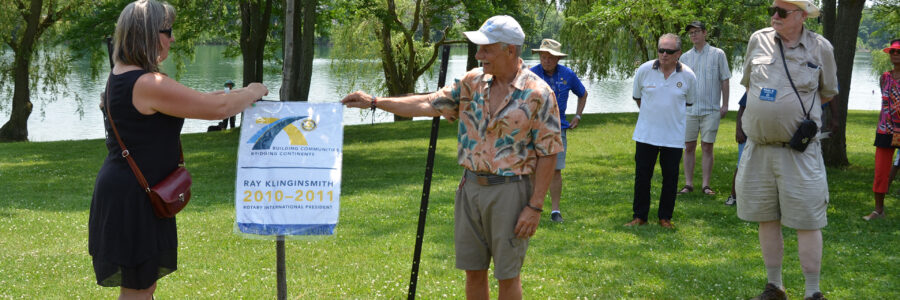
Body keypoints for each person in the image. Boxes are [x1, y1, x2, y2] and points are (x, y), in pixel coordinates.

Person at [341, 15, 562, 299]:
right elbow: (426, 102)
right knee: (473, 271)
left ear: (510, 50)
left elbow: (549, 153)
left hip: (511, 191)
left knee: (508, 275)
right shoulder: (471, 82)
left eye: (486, 49)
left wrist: (535, 206)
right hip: (469, 189)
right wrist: (374, 102)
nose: (479, 55)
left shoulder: (538, 93)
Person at [89, 1, 268, 298]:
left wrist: (240, 94)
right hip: (133, 198)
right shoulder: (146, 83)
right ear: (148, 34)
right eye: (168, 31)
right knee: (138, 291)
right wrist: (254, 90)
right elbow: (217, 109)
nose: (172, 38)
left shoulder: (127, 75)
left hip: (133, 193)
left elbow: (198, 99)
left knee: (144, 287)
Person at [736, 1, 837, 299]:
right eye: (772, 9)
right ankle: (774, 286)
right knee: (766, 218)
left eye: (782, 12)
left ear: (802, 16)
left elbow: (827, 91)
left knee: (807, 221)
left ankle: (812, 292)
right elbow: (748, 84)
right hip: (758, 150)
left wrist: (791, 118)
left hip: (799, 153)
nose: (774, 16)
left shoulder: (821, 48)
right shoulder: (759, 39)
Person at [625, 33, 697, 229]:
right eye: (661, 50)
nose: (664, 54)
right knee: (642, 178)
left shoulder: (689, 76)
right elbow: (638, 98)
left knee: (671, 179)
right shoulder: (644, 70)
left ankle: (665, 218)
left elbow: (688, 102)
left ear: (678, 53)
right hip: (646, 134)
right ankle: (639, 216)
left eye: (669, 51)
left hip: (673, 137)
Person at [529, 38, 588, 223]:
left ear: (558, 59)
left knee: (555, 170)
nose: (546, 60)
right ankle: (532, 207)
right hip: (533, 128)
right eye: (543, 56)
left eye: (550, 57)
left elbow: (583, 93)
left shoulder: (568, 74)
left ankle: (555, 211)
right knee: (531, 169)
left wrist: (577, 116)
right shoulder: (530, 75)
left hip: (557, 128)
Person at [678, 21, 731, 196]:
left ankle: (706, 185)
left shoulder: (718, 54)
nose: (693, 35)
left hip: (711, 110)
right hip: (690, 110)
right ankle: (688, 184)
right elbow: (681, 84)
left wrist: (725, 104)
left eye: (696, 32)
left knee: (707, 147)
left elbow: (725, 79)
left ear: (705, 33)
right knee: (689, 147)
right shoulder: (684, 57)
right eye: (691, 33)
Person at [865, 38, 900, 221]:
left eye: (898, 52)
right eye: (892, 52)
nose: (895, 55)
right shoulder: (884, 77)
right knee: (880, 171)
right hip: (885, 129)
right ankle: (878, 210)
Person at [726, 92, 748, 206]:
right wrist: (738, 130)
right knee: (741, 165)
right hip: (746, 135)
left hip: (762, 136)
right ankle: (733, 196)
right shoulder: (754, 86)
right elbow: (741, 110)